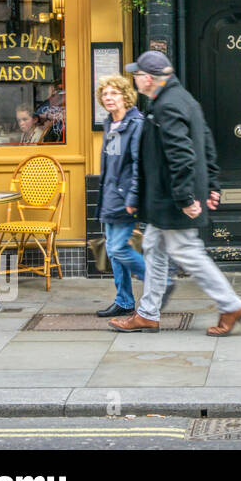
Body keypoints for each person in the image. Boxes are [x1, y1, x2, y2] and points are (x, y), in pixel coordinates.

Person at [110, 51, 241, 337]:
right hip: (168, 197)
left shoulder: (167, 106)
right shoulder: (183, 99)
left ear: (148, 78)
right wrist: (211, 185)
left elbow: (182, 155)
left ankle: (231, 304)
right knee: (154, 249)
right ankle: (148, 314)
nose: (134, 78)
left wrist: (186, 198)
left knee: (187, 251)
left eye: (136, 74)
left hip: (172, 197)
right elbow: (206, 142)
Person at [94, 74, 146, 318]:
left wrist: (133, 197)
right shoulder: (109, 124)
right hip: (110, 195)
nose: (108, 98)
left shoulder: (136, 124)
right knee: (114, 251)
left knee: (117, 249)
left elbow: (139, 163)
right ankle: (124, 300)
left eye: (114, 93)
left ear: (126, 96)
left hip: (125, 197)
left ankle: (158, 281)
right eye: (105, 94)